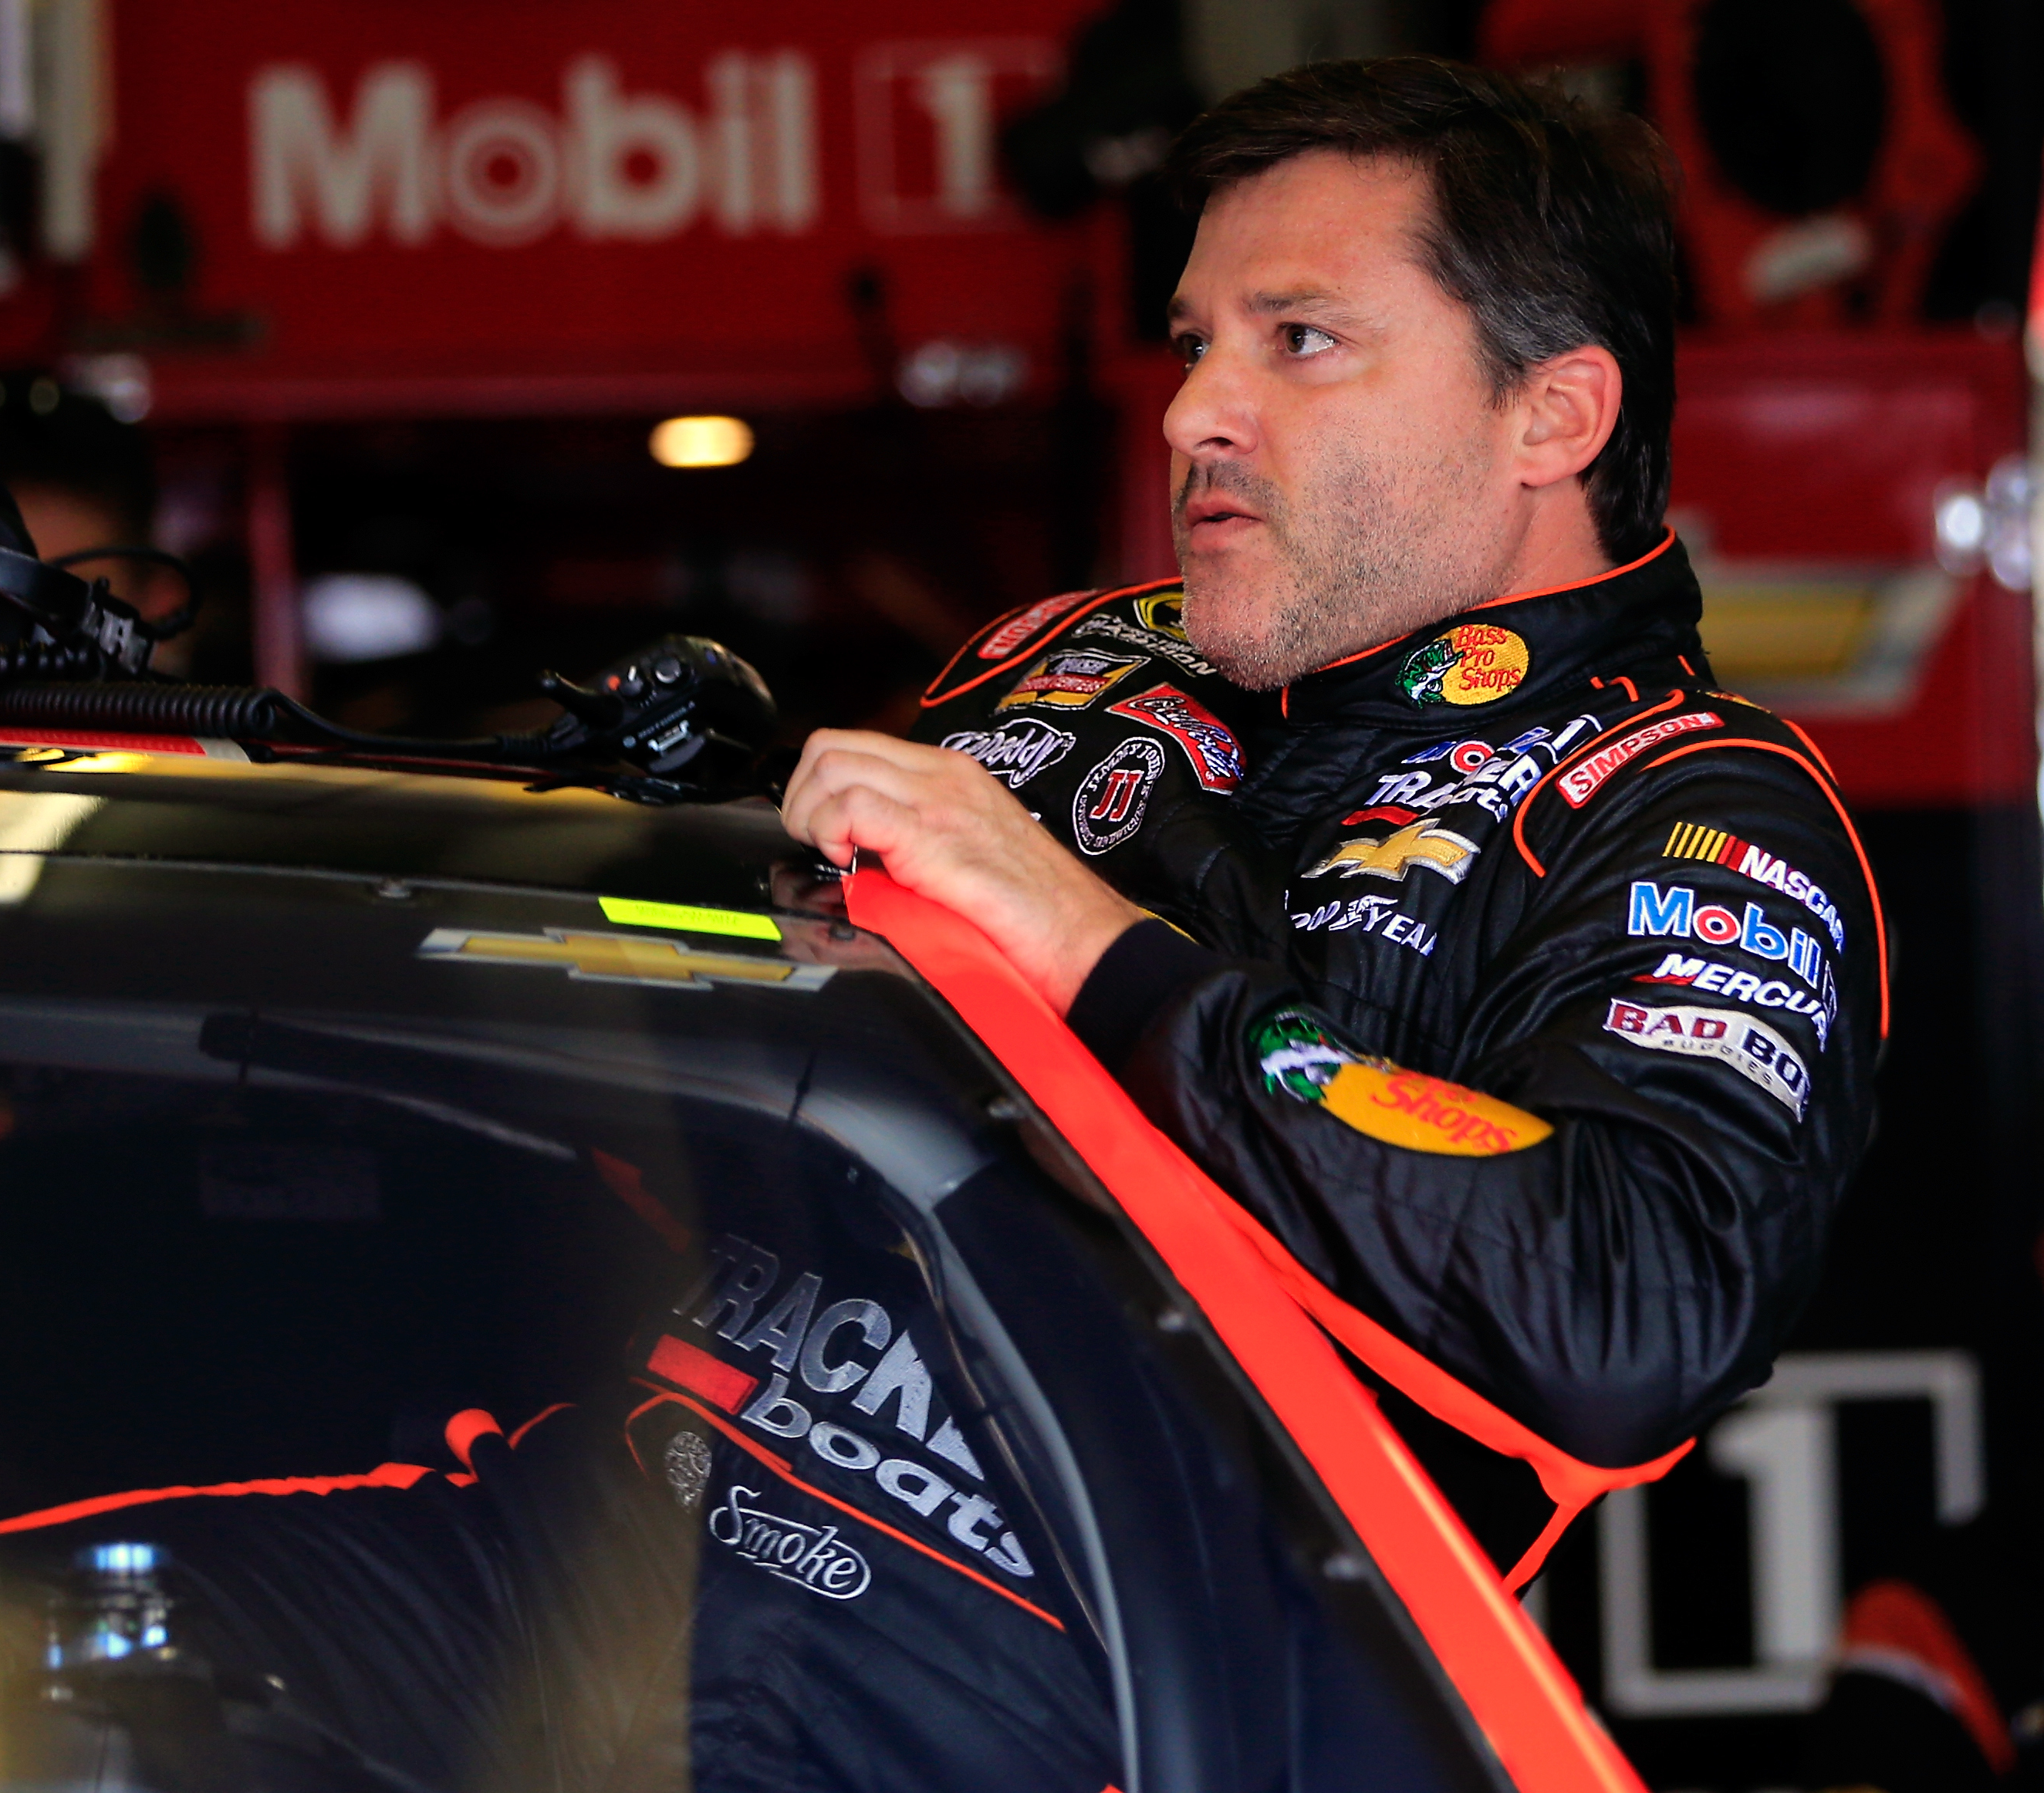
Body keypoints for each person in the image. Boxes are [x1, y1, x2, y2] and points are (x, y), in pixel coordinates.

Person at [782, 58, 1883, 1563]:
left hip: (1092, 1686)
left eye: (1297, 340)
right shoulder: (1061, 647)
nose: (1190, 414)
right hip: (608, 1534)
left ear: (1551, 416)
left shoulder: (1688, 807)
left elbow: (1631, 1315)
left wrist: (1095, 953)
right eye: (1192, 345)